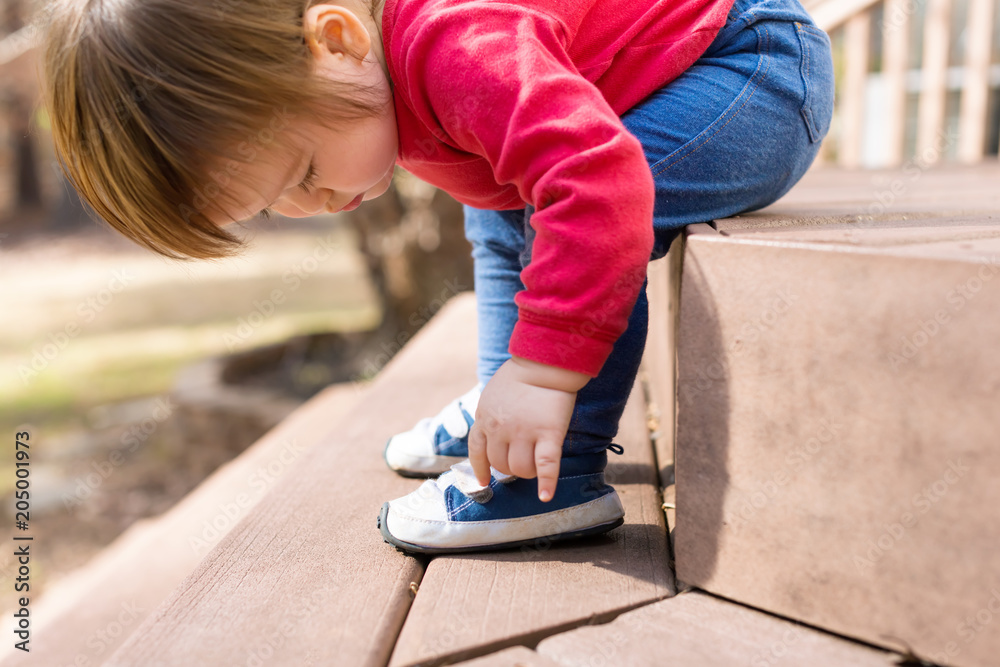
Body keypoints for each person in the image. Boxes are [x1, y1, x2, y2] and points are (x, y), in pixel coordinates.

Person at [42, 0, 834, 554]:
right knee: (500, 211)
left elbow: (597, 179)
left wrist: (544, 371)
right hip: (680, 79)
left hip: (753, 73)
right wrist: (509, 383)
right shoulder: (382, 74)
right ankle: (506, 421)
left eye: (305, 171)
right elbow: (507, 230)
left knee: (588, 205)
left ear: (339, 41)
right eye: (272, 205)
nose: (312, 205)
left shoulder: (456, 43)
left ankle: (551, 475)